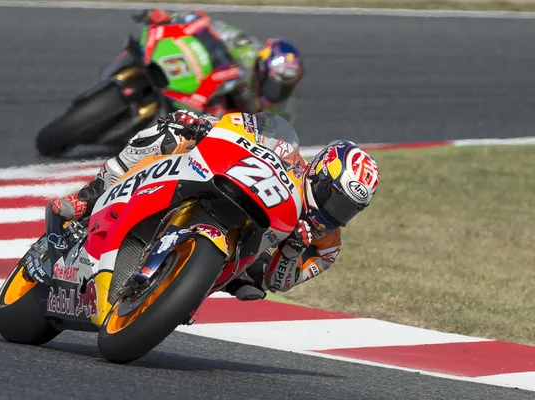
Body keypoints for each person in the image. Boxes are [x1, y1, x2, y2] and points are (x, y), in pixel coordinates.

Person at [50, 110, 380, 301]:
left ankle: (180, 290)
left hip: (245, 252)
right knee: (171, 131)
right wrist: (204, 123)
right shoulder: (287, 154)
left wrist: (293, 252)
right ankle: (88, 197)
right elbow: (242, 128)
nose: (335, 212)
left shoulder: (327, 246)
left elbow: (280, 284)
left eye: (346, 209)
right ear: (319, 174)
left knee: (255, 287)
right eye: (334, 198)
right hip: (223, 186)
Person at [140, 8, 304, 122]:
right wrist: (178, 18)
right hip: (210, 84)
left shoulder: (282, 109)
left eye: (284, 87)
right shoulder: (246, 49)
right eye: (273, 83)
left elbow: (277, 138)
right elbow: (215, 29)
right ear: (262, 68)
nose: (276, 92)